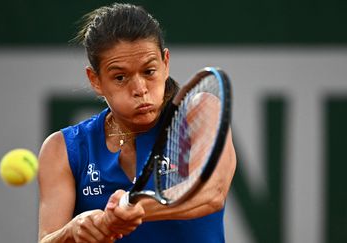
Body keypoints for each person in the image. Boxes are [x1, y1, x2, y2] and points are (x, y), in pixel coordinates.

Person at [37, 3, 237, 243]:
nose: (140, 89)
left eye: (149, 71)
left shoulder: (200, 112)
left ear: (165, 63)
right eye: (120, 77)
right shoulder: (62, 148)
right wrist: (72, 231)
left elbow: (211, 193)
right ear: (95, 80)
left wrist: (132, 209)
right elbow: (48, 238)